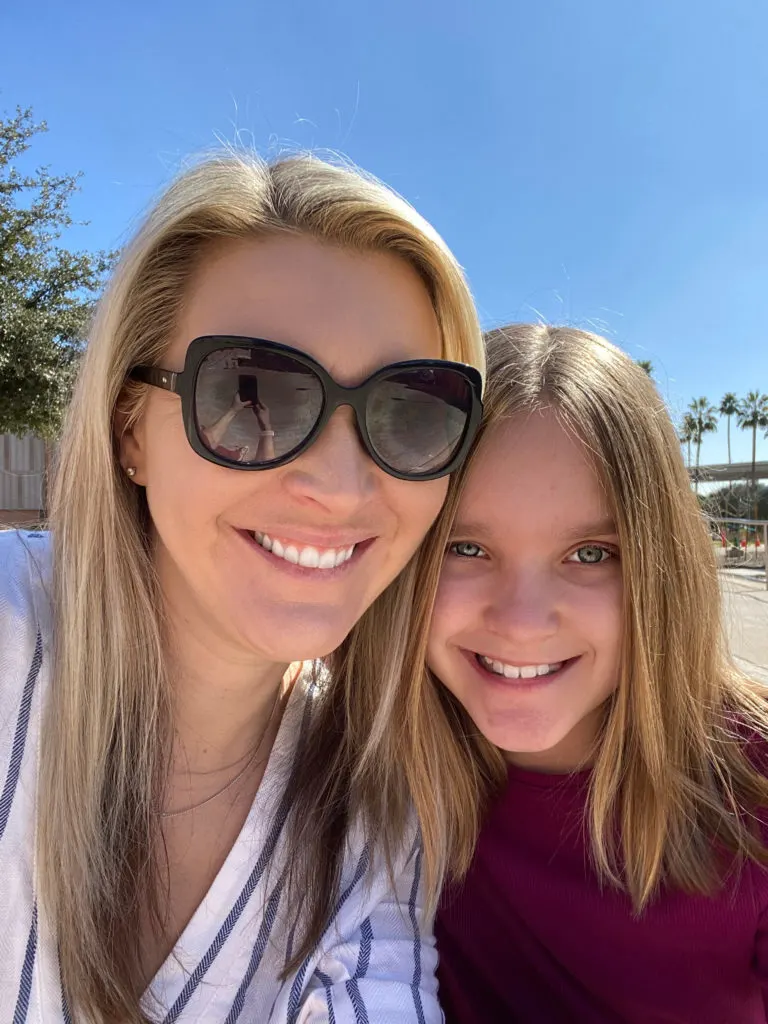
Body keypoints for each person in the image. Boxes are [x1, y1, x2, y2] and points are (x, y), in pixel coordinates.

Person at [0, 152, 485, 1023]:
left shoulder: (374, 810)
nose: (341, 486)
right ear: (129, 432)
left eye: (412, 410)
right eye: (251, 392)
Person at [428, 324, 768, 1023]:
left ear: (662, 567)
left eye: (590, 554)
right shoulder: (363, 777)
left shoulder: (751, 789)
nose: (522, 621)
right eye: (466, 546)